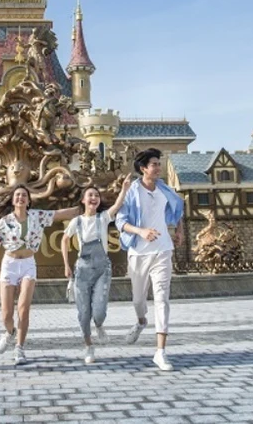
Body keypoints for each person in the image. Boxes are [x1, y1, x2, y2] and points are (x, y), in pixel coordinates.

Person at [0, 185, 80, 365]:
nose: (20, 198)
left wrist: (85, 205)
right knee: (6, 315)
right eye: (17, 195)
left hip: (28, 264)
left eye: (24, 195)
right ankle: (10, 333)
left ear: (29, 200)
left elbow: (59, 214)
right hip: (9, 264)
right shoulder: (5, 221)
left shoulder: (37, 216)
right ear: (13, 200)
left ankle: (19, 347)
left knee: (23, 308)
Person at [115, 148, 185, 372]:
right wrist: (141, 231)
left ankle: (160, 351)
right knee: (138, 300)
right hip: (139, 253)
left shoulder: (164, 189)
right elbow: (120, 222)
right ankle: (141, 321)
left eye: (158, 164)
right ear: (143, 168)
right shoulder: (132, 191)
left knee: (162, 299)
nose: (158, 167)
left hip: (163, 250)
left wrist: (179, 230)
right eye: (154, 164)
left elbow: (178, 207)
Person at [61, 176, 132, 365]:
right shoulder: (76, 221)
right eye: (90, 195)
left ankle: (99, 325)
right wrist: (66, 264)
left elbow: (117, 206)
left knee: (99, 310)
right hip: (82, 270)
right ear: (83, 200)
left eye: (96, 196)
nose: (94, 198)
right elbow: (65, 239)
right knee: (83, 313)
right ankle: (89, 346)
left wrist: (124, 189)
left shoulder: (103, 218)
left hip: (102, 270)